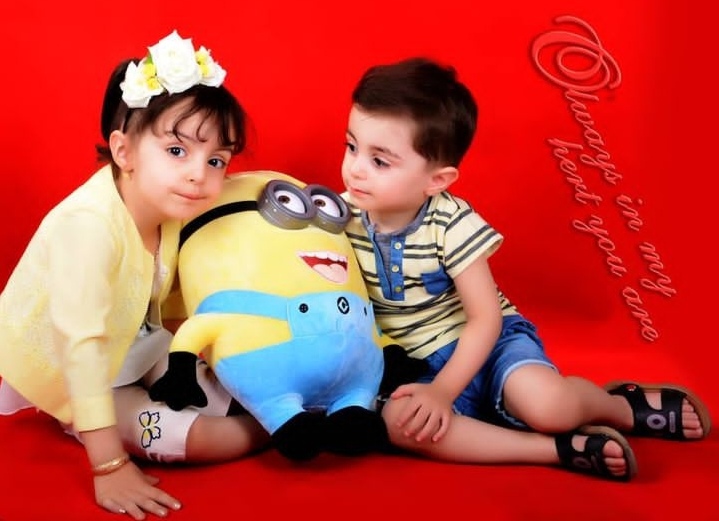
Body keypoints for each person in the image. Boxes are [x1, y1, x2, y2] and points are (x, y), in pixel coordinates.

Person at [340, 57, 712, 481]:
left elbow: (485, 319)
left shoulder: (451, 224)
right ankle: (554, 450)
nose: (355, 169)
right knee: (397, 424)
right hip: (415, 365)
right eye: (352, 147)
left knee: (549, 407)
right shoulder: (341, 216)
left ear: (437, 181)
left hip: (489, 343)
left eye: (380, 161)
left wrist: (444, 391)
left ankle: (619, 406)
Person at [0, 30, 269, 519]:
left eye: (216, 161)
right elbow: (80, 347)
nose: (199, 174)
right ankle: (275, 431)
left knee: (244, 387)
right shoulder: (88, 226)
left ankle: (282, 414)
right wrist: (108, 464)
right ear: (123, 152)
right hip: (80, 375)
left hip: (138, 344)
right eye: (177, 151)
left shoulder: (172, 209)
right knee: (205, 437)